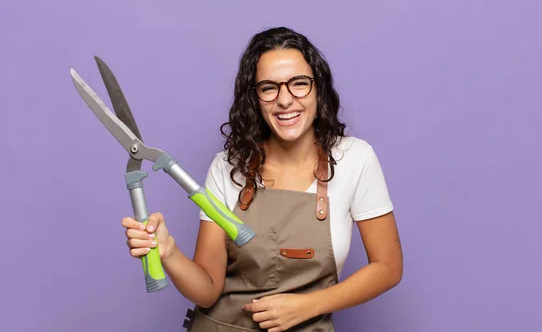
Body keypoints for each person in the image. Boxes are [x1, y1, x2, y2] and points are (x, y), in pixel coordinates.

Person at [121, 26, 403, 331]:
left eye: (299, 84)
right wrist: (169, 252)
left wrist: (309, 305)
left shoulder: (355, 159)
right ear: (254, 98)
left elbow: (388, 268)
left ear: (317, 87)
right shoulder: (227, 166)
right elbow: (207, 290)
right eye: (269, 87)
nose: (285, 100)